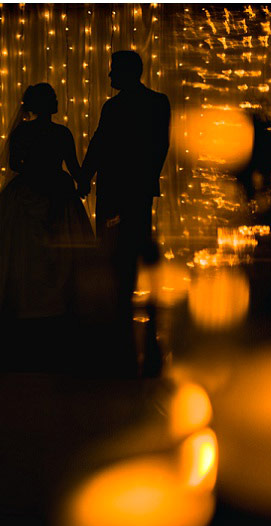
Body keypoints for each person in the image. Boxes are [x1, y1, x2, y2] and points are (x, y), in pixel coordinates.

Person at [0, 83, 93, 329]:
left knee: (20, 248)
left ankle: (24, 302)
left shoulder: (22, 132)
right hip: (58, 191)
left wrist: (35, 171)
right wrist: (82, 181)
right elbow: (74, 168)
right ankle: (59, 305)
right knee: (62, 248)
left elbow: (14, 165)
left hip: (27, 191)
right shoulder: (61, 133)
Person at [78, 50, 171, 375]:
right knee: (134, 243)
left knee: (115, 249)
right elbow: (160, 146)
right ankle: (134, 311)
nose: (109, 77)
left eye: (113, 70)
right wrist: (144, 179)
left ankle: (119, 313)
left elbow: (100, 144)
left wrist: (84, 178)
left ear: (127, 72)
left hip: (116, 189)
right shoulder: (158, 103)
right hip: (136, 189)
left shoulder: (115, 107)